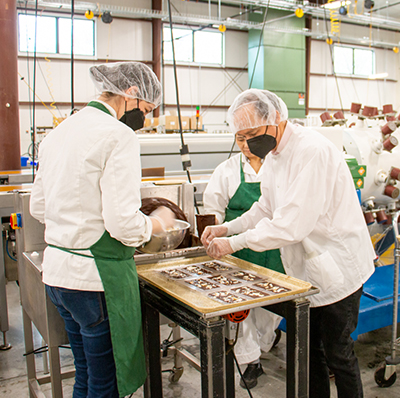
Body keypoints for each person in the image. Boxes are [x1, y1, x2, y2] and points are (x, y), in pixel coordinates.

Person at [201, 89, 375, 398]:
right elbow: (265, 208)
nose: (249, 143)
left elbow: (291, 224)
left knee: (339, 354)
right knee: (310, 353)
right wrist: (226, 228)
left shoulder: (312, 151)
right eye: (241, 137)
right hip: (308, 271)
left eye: (253, 134)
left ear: (276, 118)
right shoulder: (274, 154)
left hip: (338, 267)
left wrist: (233, 244)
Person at [30, 62, 175, 398]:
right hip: (94, 282)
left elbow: (39, 207)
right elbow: (122, 223)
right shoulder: (117, 135)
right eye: (147, 110)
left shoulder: (58, 133)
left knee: (86, 375)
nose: (145, 120)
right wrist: (156, 224)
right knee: (105, 384)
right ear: (132, 93)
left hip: (57, 277)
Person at [203, 133, 285, 389]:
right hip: (237, 251)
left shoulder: (278, 167)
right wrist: (212, 233)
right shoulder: (226, 171)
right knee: (240, 310)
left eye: (249, 139)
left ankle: (268, 337)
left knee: (271, 306)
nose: (245, 146)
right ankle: (250, 360)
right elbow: (212, 210)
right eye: (239, 139)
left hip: (275, 250)